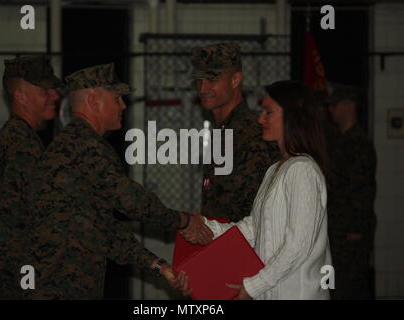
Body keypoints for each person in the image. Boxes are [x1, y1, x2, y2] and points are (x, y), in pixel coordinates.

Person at [24, 63, 212, 300]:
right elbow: (132, 201)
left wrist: (158, 266)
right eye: (117, 99)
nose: (123, 105)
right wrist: (183, 221)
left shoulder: (72, 144)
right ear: (94, 102)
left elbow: (104, 229)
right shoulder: (87, 146)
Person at [176, 80, 332, 300]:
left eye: (268, 112)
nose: (261, 119)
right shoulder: (276, 170)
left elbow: (298, 245)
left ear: (293, 117)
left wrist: (254, 286)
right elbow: (254, 227)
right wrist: (206, 228)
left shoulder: (303, 170)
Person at [0, 55, 63, 299]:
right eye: (45, 90)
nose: (55, 96)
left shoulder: (14, 140)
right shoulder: (21, 147)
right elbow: (14, 229)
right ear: (20, 96)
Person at [192, 42, 280, 222]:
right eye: (199, 79)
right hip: (226, 242)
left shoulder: (252, 132)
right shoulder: (226, 130)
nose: (202, 88)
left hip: (244, 244)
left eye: (212, 79)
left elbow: (258, 212)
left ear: (235, 79)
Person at [327, 84, 377, 300]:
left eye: (335, 105)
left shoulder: (357, 143)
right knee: (339, 286)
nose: (331, 110)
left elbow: (362, 189)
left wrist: (356, 226)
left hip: (350, 230)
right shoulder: (340, 140)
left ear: (349, 105)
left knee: (351, 287)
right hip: (338, 227)